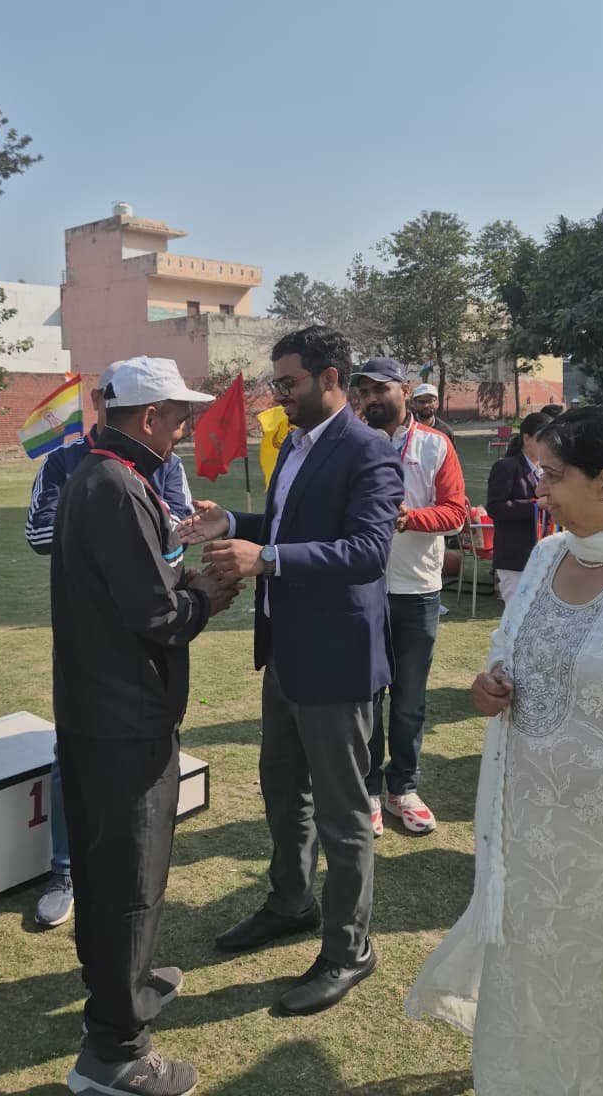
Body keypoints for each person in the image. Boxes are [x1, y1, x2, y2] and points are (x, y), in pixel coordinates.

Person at [179, 326, 404, 1016]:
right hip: (285, 653)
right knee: (283, 791)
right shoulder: (297, 444)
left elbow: (367, 552)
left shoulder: (369, 451)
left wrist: (267, 559)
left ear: (330, 378)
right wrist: (232, 523)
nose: (277, 394)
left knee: (342, 812)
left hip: (336, 660)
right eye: (275, 382)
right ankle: (291, 903)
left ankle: (350, 948)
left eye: (288, 382)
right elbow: (287, 526)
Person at [407, 406, 603, 1094]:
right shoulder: (547, 556)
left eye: (553, 476)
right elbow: (507, 651)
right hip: (526, 828)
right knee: (530, 963)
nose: (538, 490)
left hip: (598, 843)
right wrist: (488, 686)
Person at [52, 356, 238, 1096]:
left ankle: (118, 986)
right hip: (123, 716)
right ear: (150, 417)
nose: (185, 428)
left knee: (111, 867)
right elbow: (157, 615)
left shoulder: (103, 474)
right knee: (129, 878)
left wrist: (182, 580)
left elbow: (133, 588)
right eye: (180, 415)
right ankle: (116, 1051)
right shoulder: (116, 484)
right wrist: (207, 593)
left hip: (103, 708)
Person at [26, 362, 195, 929]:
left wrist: (149, 544)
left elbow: (180, 525)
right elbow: (40, 534)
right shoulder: (74, 465)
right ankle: (65, 871)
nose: (183, 430)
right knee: (80, 767)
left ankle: (114, 939)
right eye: (178, 416)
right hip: (99, 646)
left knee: (126, 818)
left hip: (137, 654)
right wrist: (118, 536)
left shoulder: (158, 464)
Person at [355, 359, 466, 836]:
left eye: (379, 389)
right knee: (366, 697)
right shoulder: (354, 443)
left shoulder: (435, 444)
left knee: (408, 699)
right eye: (363, 392)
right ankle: (367, 790)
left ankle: (403, 786)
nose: (370, 399)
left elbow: (456, 513)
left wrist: (409, 518)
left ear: (404, 390)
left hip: (417, 589)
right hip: (362, 588)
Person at [486, 411, 550, 605]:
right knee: (517, 614)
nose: (547, 444)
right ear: (526, 438)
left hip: (545, 555)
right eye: (542, 438)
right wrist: (535, 505)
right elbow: (495, 508)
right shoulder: (506, 467)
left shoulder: (548, 471)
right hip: (515, 558)